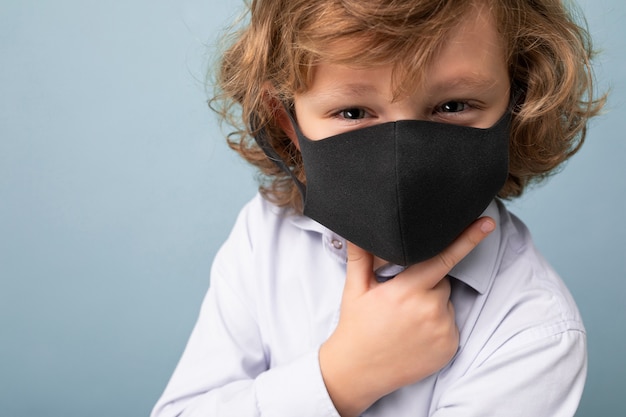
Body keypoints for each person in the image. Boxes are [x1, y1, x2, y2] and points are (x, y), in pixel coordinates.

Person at [151, 0, 605, 416]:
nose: (403, 164)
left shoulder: (533, 332)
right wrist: (341, 378)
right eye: (352, 112)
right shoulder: (266, 233)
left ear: (520, 103)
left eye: (452, 105)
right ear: (284, 120)